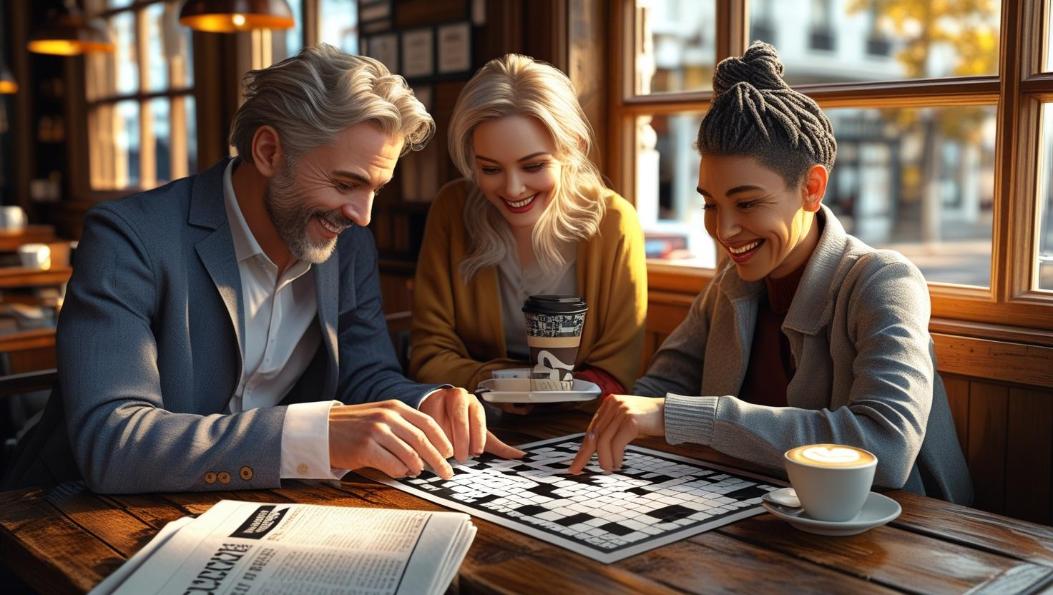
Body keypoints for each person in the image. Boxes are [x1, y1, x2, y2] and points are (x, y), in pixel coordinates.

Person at [4, 45, 521, 494]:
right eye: (345, 184)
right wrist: (314, 435)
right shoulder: (128, 237)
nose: (362, 215)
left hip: (249, 509)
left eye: (374, 191)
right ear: (269, 150)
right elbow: (113, 441)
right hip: (66, 518)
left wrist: (426, 403)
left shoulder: (347, 241)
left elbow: (366, 373)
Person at [569, 42, 972, 504]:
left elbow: (886, 446)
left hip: (910, 533)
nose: (723, 229)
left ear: (812, 188)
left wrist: (684, 417)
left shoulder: (884, 281)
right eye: (710, 203)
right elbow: (661, 390)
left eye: (747, 203)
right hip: (762, 519)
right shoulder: (730, 284)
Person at [409, 54, 647, 406]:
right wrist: (509, 387)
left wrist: (510, 385)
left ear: (573, 149)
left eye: (533, 166)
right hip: (478, 420)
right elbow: (428, 355)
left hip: (584, 425)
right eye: (490, 170)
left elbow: (618, 371)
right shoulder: (452, 209)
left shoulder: (614, 221)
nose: (513, 189)